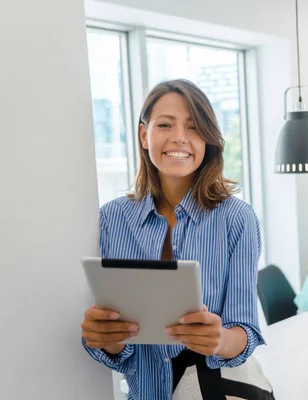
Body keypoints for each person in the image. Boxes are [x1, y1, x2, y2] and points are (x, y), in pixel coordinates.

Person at [80, 79, 274, 399]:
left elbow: (246, 333)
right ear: (145, 135)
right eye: (165, 124)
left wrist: (219, 340)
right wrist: (108, 339)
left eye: (194, 127)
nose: (180, 138)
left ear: (208, 139)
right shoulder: (110, 220)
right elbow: (115, 349)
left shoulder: (237, 219)